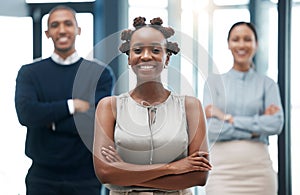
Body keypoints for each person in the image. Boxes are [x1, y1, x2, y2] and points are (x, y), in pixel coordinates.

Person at [92, 16, 212, 195]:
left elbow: (198, 177)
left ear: (167, 58)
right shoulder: (109, 107)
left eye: (156, 50)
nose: (146, 56)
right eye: (138, 50)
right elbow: (106, 174)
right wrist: (174, 167)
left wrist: (125, 171)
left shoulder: (190, 106)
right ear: (129, 58)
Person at [14, 5, 114, 195]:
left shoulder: (100, 74)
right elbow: (27, 114)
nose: (61, 30)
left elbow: (98, 123)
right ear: (47, 33)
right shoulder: (29, 73)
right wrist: (72, 106)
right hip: (42, 179)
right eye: (55, 25)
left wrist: (51, 121)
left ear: (78, 30)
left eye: (68, 24)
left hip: (86, 179)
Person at [203, 21, 284, 195]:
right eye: (236, 39)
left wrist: (227, 118)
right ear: (228, 44)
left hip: (260, 172)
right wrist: (256, 129)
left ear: (256, 44)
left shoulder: (268, 84)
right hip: (221, 173)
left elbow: (275, 124)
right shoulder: (214, 83)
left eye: (247, 39)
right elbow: (211, 129)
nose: (241, 45)